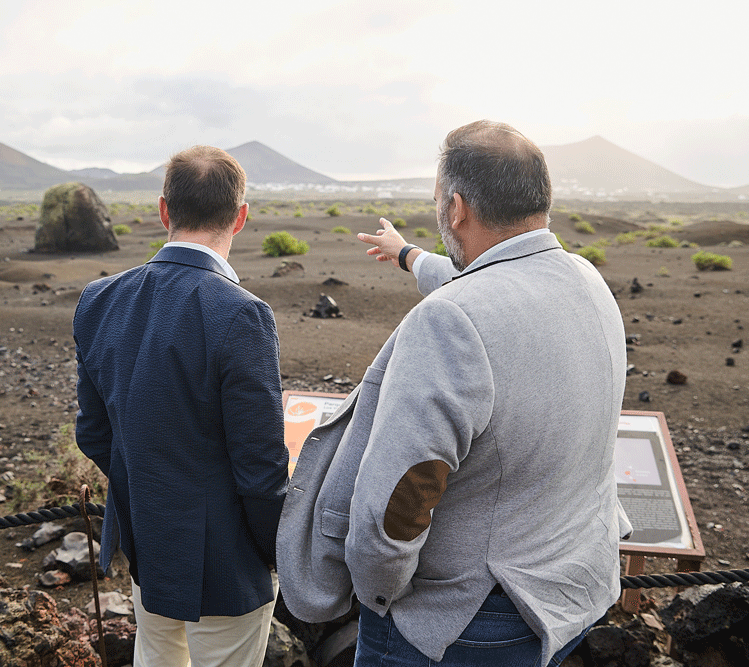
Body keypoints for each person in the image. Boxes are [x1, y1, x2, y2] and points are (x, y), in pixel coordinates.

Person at [277, 120, 629, 667]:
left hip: (462, 622)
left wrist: (381, 596)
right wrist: (407, 255)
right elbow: (487, 284)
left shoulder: (451, 322)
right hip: (570, 595)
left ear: (457, 208)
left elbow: (395, 505)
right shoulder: (586, 280)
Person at [73, 145, 289, 667]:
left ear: (164, 210)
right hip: (227, 565)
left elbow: (94, 434)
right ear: (239, 218)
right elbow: (260, 469)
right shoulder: (242, 315)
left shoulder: (98, 300)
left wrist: (150, 493)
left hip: (147, 547)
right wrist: (280, 554)